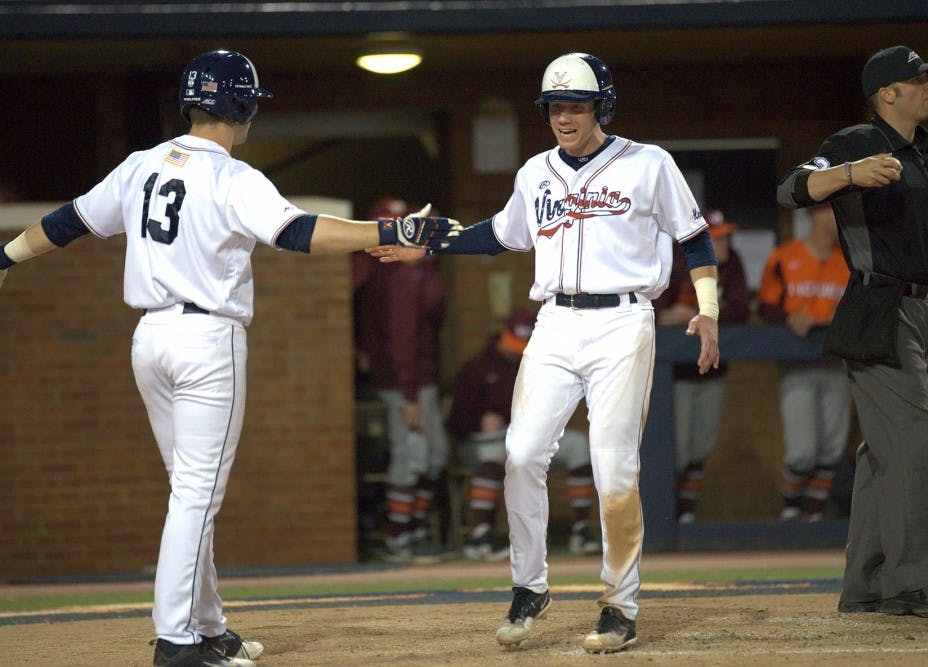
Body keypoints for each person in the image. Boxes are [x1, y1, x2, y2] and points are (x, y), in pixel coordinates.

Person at [0, 50, 455, 667]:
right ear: (240, 106)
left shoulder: (142, 164)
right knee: (195, 493)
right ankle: (179, 640)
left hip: (150, 340)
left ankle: (207, 626)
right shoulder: (232, 176)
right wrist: (389, 232)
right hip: (206, 342)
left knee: (191, 490)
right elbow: (298, 233)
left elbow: (67, 222)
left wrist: (5, 259)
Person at [369, 52, 720, 654]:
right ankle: (529, 587)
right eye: (555, 106)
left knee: (616, 469)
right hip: (554, 321)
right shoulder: (535, 173)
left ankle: (619, 605)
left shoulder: (647, 163)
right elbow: (496, 235)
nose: (564, 117)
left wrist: (708, 309)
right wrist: (425, 246)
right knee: (521, 454)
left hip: (624, 320)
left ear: (600, 108)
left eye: (576, 106)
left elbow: (694, 237)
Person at [777, 45, 928, 617]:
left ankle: (868, 582)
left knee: (887, 452)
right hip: (878, 305)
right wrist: (850, 175)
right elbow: (791, 188)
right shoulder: (857, 142)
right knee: (915, 444)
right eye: (918, 79)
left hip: (926, 312)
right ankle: (918, 584)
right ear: (888, 94)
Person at [447, 307, 601, 561]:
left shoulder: (538, 364)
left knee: (578, 445)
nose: (515, 350)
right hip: (481, 442)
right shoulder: (476, 367)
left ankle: (581, 532)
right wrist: (479, 421)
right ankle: (479, 536)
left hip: (528, 436)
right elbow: (455, 422)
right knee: (496, 456)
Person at [354, 197, 452, 564]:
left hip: (415, 377)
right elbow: (400, 337)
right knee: (412, 456)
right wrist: (410, 394)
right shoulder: (397, 273)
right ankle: (399, 537)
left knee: (433, 455)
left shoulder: (417, 270)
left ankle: (415, 529)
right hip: (402, 381)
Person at [652, 209, 749, 524]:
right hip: (675, 376)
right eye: (717, 238)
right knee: (676, 450)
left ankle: (686, 514)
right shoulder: (677, 264)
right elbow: (656, 312)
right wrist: (675, 315)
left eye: (725, 237)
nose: (723, 245)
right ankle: (666, 514)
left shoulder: (733, 265)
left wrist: (693, 310)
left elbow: (740, 310)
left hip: (713, 370)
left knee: (700, 447)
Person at [757, 202, 852, 522]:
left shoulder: (850, 262)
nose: (837, 219)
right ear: (816, 215)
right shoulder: (785, 257)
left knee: (832, 451)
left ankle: (813, 516)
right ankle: (791, 512)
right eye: (832, 212)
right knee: (802, 452)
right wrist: (789, 318)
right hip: (798, 363)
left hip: (837, 362)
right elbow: (767, 308)